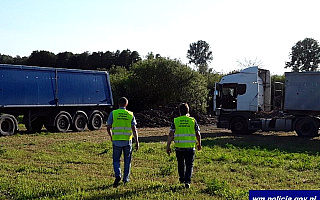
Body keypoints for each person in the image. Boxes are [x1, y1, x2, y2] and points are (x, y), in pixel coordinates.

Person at [166, 103, 201, 188]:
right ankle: (187, 181)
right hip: (190, 147)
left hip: (179, 147)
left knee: (180, 164)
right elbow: (198, 133)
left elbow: (171, 134)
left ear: (179, 111)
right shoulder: (193, 120)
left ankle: (182, 179)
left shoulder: (175, 121)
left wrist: (168, 146)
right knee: (189, 165)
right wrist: (199, 143)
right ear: (188, 111)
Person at [107, 97, 139, 188]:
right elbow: (134, 129)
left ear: (118, 104)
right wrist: (137, 141)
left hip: (116, 141)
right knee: (127, 160)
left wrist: (111, 136)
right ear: (126, 104)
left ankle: (118, 174)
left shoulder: (113, 113)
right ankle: (126, 179)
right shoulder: (130, 114)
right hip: (127, 141)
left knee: (116, 160)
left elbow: (108, 127)